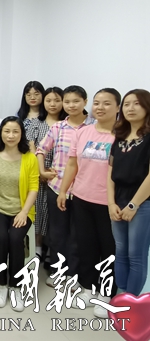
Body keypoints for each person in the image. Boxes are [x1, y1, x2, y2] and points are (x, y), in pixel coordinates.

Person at [58, 88, 121, 318]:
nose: (100, 107)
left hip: (109, 202)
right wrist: (63, 190)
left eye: (107, 103)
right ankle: (87, 287)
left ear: (117, 107)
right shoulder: (84, 132)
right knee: (85, 246)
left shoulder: (122, 135)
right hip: (82, 197)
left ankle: (106, 293)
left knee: (108, 249)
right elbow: (72, 164)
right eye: (97, 103)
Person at [0, 116, 38, 312]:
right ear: (1, 133)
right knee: (1, 238)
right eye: (7, 131)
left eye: (15, 132)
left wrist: (24, 212)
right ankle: (1, 285)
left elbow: (34, 188)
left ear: (21, 134)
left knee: (16, 239)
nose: (11, 135)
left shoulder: (30, 158)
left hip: (22, 210)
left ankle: (15, 287)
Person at [36, 85, 94, 286]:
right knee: (57, 233)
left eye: (76, 101)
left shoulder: (93, 127)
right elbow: (41, 150)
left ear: (85, 101)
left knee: (79, 234)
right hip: (57, 186)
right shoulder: (58, 127)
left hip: (83, 190)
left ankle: (75, 275)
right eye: (67, 101)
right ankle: (58, 272)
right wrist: (43, 171)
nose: (71, 105)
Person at [108, 89, 150, 296]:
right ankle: (121, 297)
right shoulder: (120, 137)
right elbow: (110, 172)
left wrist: (133, 205)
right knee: (121, 252)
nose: (130, 108)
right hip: (118, 200)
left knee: (136, 255)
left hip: (142, 202)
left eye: (137, 103)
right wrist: (111, 203)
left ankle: (132, 304)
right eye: (126, 104)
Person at [25, 87, 67, 262]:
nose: (52, 104)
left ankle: (53, 250)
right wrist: (40, 171)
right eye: (49, 100)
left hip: (60, 176)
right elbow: (32, 147)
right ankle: (38, 248)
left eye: (57, 100)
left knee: (55, 214)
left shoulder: (67, 124)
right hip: (38, 172)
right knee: (39, 210)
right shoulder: (36, 123)